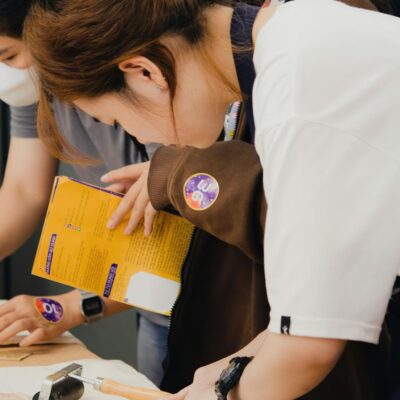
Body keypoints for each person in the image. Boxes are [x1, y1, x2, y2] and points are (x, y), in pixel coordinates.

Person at [24, 0, 398, 398]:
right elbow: (309, 320)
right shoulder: (293, 39)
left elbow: (309, 348)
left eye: (118, 121)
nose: (142, 138)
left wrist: (219, 393)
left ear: (145, 72)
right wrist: (224, 373)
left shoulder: (293, 84)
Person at [0, 0, 170, 386]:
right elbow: (23, 191)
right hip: (151, 307)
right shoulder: (36, 89)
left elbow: (182, 228)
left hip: (209, 300)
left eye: (8, 54)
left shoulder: (135, 79)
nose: (7, 72)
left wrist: (74, 307)